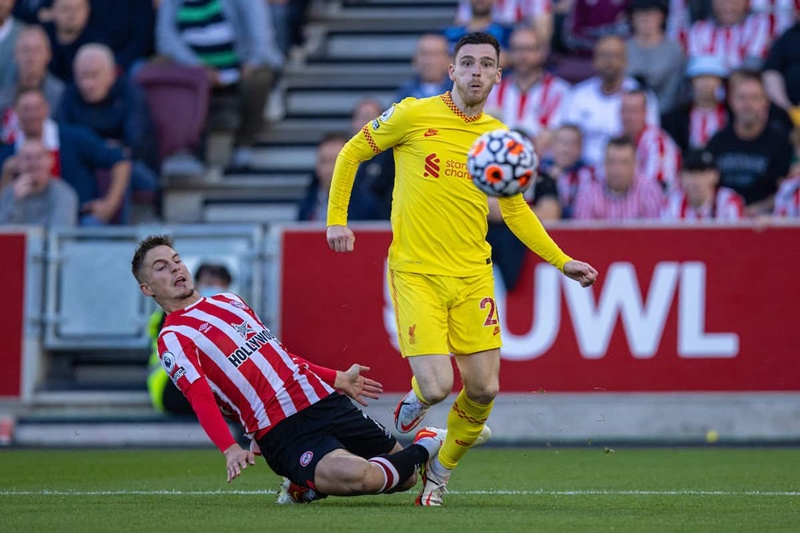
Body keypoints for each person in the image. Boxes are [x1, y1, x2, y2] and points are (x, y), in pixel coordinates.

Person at [326, 32, 598, 506]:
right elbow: (351, 152)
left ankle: (440, 471)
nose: (475, 71)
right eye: (466, 62)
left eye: (485, 64)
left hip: (473, 274)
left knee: (485, 387)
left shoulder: (497, 140)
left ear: (497, 75)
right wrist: (336, 220)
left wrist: (562, 261)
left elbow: (514, 212)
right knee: (437, 386)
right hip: (416, 272)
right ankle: (416, 400)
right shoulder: (412, 113)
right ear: (451, 70)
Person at [131, 234, 449, 503]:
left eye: (176, 260)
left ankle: (304, 485)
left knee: (405, 478)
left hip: (322, 400)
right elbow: (200, 396)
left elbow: (279, 355)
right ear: (148, 289)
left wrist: (336, 378)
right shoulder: (173, 337)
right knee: (357, 476)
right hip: (280, 430)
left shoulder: (230, 301)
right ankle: (429, 444)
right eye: (161, 267)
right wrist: (229, 447)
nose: (175, 268)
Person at [146, 263, 233, 415]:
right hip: (170, 385)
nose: (215, 289)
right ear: (195, 283)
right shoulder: (173, 310)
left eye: (221, 285)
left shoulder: (225, 312)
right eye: (210, 283)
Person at [706, 70, 793, 215]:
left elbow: (787, 191)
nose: (748, 104)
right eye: (742, 98)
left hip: (767, 221)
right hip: (724, 219)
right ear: (731, 101)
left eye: (755, 98)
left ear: (766, 102)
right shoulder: (718, 141)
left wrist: (754, 210)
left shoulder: (781, 142)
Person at [573, 136, 664, 220]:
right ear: (604, 164)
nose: (618, 169)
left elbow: (653, 235)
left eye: (624, 162)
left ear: (635, 165)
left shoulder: (649, 191)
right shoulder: (588, 194)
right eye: (612, 162)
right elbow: (583, 235)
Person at [625, 0, 685, 114]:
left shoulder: (674, 50)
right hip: (628, 113)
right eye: (640, 13)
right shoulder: (623, 48)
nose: (646, 18)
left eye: (652, 13)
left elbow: (673, 91)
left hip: (665, 114)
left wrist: (651, 114)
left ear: (662, 16)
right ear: (632, 17)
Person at [0, 138, 77, 225]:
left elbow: (61, 234)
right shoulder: (8, 193)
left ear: (51, 161)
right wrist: (17, 202)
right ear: (18, 164)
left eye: (39, 157)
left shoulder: (64, 193)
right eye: (27, 158)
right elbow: (4, 234)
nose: (33, 163)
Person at [661, 148, 745, 220]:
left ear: (715, 176)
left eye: (702, 173)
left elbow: (734, 236)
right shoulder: (672, 203)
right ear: (681, 177)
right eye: (690, 173)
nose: (696, 179)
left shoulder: (728, 202)